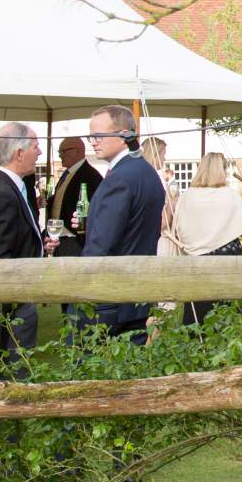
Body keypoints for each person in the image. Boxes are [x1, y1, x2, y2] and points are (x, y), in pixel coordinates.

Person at [79, 104, 167, 344]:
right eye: (91, 136)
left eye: (99, 135)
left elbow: (102, 244)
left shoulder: (119, 178)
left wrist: (81, 285)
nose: (93, 142)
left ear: (124, 135)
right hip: (138, 291)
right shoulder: (146, 172)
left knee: (93, 362)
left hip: (110, 295)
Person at [0, 122, 49, 379]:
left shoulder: (5, 185)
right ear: (19, 153)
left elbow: (11, 236)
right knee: (12, 373)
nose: (39, 152)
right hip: (11, 304)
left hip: (14, 300)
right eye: (36, 146)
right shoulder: (1, 191)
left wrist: (38, 243)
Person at [160, 152, 242, 323]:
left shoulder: (187, 196)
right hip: (227, 258)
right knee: (230, 312)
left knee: (198, 312)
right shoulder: (229, 195)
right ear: (222, 170)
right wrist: (224, 231)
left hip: (197, 260)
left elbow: (179, 229)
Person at [45, 136, 102, 259]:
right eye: (59, 152)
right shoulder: (67, 174)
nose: (60, 155)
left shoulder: (90, 175)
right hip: (60, 238)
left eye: (63, 151)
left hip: (75, 240)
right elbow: (62, 199)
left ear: (77, 151)